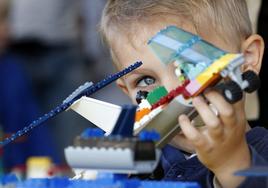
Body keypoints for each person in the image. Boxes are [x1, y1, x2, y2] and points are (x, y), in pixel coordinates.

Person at [99, 0, 268, 188]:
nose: (173, 93)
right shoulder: (140, 165)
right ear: (127, 91)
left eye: (192, 66)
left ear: (247, 58)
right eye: (146, 80)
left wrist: (232, 164)